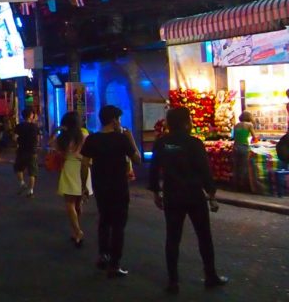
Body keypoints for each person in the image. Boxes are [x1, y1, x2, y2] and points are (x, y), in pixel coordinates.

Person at [149, 106, 228, 294]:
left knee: (173, 238)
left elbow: (154, 169)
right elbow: (204, 170)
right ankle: (210, 275)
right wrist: (211, 194)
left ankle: (173, 281)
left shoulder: (163, 144)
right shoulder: (194, 143)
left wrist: (156, 192)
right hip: (193, 195)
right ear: (186, 122)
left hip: (172, 195)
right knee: (204, 237)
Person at [80, 105, 142, 277]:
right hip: (119, 187)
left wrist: (84, 186)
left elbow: (84, 164)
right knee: (118, 225)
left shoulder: (92, 139)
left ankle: (103, 256)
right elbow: (138, 160)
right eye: (119, 119)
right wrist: (131, 139)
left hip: (100, 186)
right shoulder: (122, 139)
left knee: (104, 221)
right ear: (114, 120)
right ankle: (114, 264)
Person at [53, 111, 91, 247]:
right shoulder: (85, 136)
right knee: (78, 202)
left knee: (69, 203)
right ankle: (76, 231)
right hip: (84, 168)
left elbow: (54, 148)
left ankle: (77, 231)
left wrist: (56, 131)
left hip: (69, 167)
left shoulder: (63, 138)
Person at [13, 108, 40, 197]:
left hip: (22, 150)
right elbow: (38, 139)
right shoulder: (35, 127)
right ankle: (30, 191)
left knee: (18, 168)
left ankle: (22, 183)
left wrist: (18, 142)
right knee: (32, 172)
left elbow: (14, 137)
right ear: (31, 115)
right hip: (32, 151)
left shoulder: (19, 126)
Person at [231, 111, 256, 192]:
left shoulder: (236, 125)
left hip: (235, 147)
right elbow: (254, 137)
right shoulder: (249, 125)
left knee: (236, 166)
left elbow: (234, 137)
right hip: (244, 147)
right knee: (244, 167)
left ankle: (235, 186)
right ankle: (243, 186)